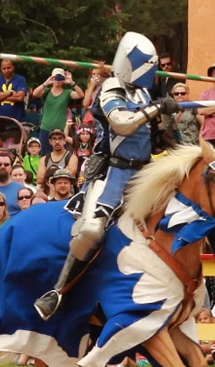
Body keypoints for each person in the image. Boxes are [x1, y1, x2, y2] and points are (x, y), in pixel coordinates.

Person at [35, 32, 180, 320]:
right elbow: (122, 124)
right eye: (145, 66)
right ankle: (58, 291)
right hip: (113, 172)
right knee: (92, 229)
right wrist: (155, 108)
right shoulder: (111, 88)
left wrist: (166, 120)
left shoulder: (143, 93)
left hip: (144, 172)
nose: (149, 72)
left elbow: (150, 137)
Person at [31, 68, 84, 155]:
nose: (57, 80)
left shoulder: (67, 92)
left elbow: (81, 95)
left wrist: (72, 83)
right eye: (55, 77)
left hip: (60, 129)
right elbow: (35, 94)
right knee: (43, 154)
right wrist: (46, 83)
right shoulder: (47, 91)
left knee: (60, 154)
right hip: (45, 128)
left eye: (60, 78)